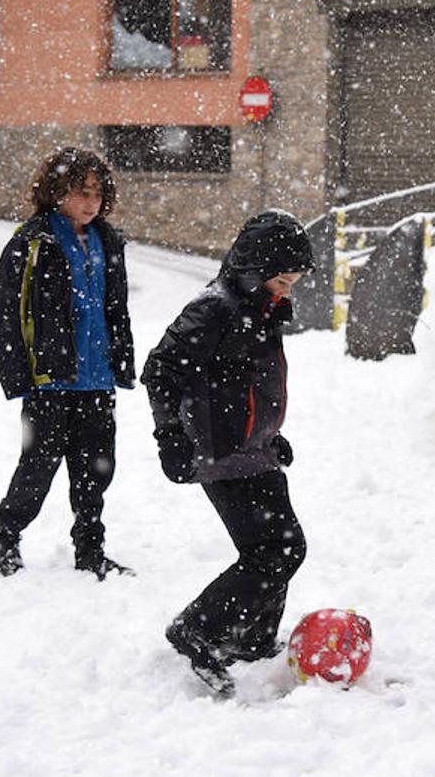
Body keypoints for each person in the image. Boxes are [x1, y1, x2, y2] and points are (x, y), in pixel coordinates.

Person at [143, 210, 314, 698]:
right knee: (275, 550)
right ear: (253, 270)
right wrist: (169, 435)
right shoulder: (213, 309)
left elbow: (250, 384)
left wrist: (268, 433)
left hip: (253, 450)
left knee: (281, 545)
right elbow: (160, 371)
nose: (287, 291)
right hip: (219, 451)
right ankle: (199, 630)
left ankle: (253, 638)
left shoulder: (259, 309)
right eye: (281, 280)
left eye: (294, 282)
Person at [0, 148, 136, 580]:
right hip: (49, 380)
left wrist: (121, 359)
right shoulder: (33, 242)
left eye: (98, 193)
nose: (91, 202)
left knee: (95, 470)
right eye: (80, 192)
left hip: (97, 378)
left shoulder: (109, 241)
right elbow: (4, 313)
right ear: (55, 192)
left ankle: (90, 552)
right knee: (38, 467)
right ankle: (5, 533)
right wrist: (18, 377)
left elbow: (116, 309)